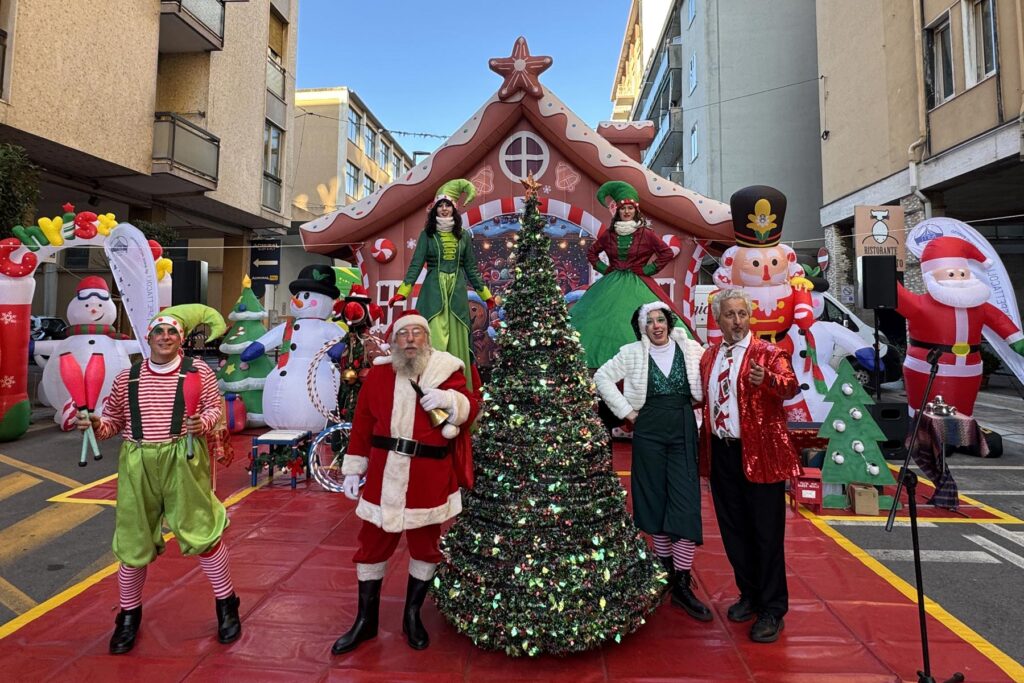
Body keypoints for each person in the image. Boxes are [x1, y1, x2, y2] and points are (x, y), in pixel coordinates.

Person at [77, 304, 240, 654]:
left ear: (180, 339)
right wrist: (94, 425)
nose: (165, 337)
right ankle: (127, 617)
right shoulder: (128, 377)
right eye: (158, 332)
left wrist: (204, 423)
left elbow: (213, 407)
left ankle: (227, 605)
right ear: (149, 337)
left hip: (183, 457)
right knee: (133, 543)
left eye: (172, 332)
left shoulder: (199, 372)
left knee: (202, 534)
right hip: (137, 460)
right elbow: (113, 423)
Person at [332, 310, 480, 655]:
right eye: (403, 333)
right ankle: (365, 620)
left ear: (427, 338)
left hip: (428, 474)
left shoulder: (448, 369)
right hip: (384, 473)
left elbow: (471, 408)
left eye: (417, 332)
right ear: (394, 340)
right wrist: (354, 468)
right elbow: (363, 421)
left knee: (426, 546)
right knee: (371, 545)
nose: (410, 338)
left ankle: (412, 615)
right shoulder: (380, 374)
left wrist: (448, 400)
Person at [594, 302, 710, 621]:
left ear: (669, 323)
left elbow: (711, 377)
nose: (657, 326)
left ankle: (682, 581)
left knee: (685, 502)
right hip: (649, 430)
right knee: (654, 499)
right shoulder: (632, 352)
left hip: (683, 426)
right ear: (643, 327)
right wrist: (627, 413)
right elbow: (602, 377)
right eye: (650, 322)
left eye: (661, 320)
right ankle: (665, 574)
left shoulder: (691, 349)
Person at [698, 288, 801, 643]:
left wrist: (768, 381)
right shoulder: (709, 356)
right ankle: (750, 594)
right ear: (718, 319)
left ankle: (772, 608)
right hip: (722, 453)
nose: (738, 321)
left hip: (761, 456)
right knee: (733, 531)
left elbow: (790, 388)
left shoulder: (768, 352)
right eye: (730, 314)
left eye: (742, 313)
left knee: (766, 534)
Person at [897, 235, 1024, 417]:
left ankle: (961, 442)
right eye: (951, 274)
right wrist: (877, 264)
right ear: (931, 276)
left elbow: (1001, 322)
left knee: (963, 416)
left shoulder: (981, 307)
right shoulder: (919, 305)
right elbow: (893, 292)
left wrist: (1018, 342)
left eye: (963, 273)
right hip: (928, 368)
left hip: (969, 371)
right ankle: (923, 442)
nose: (959, 279)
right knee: (926, 416)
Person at [388, 179, 495, 390]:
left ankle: (456, 391)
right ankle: (428, 387)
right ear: (435, 209)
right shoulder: (427, 235)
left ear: (453, 209)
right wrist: (403, 292)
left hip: (456, 295)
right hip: (433, 294)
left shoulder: (463, 236)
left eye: (447, 205)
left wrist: (485, 296)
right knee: (433, 340)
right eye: (440, 205)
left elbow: (471, 269)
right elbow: (416, 264)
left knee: (457, 344)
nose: (444, 209)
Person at [570, 180, 682, 369]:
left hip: (639, 283)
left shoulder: (646, 234)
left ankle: (648, 362)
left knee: (641, 319)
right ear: (618, 211)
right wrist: (606, 270)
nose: (627, 212)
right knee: (600, 320)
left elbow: (666, 253)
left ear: (636, 210)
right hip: (610, 284)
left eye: (630, 208)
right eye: (623, 209)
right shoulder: (610, 234)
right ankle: (597, 362)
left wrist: (647, 270)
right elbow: (592, 253)